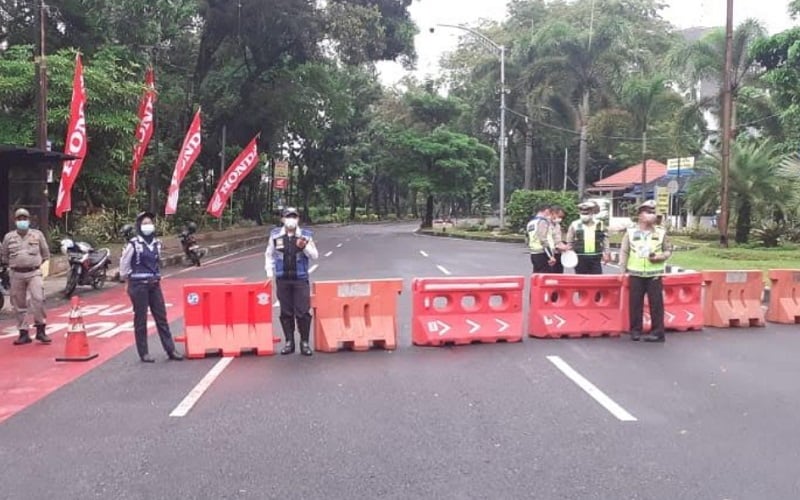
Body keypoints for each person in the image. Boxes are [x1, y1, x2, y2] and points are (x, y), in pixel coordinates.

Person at [118, 211, 183, 362]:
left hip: (154, 284)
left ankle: (171, 350)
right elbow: (124, 264)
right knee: (140, 319)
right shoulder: (134, 244)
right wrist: (127, 279)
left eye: (150, 223)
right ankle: (144, 353)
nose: (148, 226)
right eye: (145, 223)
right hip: (138, 285)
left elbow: (157, 262)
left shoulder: (156, 243)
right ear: (139, 226)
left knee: (162, 318)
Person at [265, 207, 319, 356]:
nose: (291, 219)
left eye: (294, 216)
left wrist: (305, 246)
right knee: (286, 312)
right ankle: (289, 342)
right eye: (288, 216)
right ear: (282, 219)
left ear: (298, 219)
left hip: (300, 279)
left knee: (302, 312)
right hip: (283, 279)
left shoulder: (306, 235)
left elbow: (315, 255)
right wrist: (269, 273)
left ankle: (305, 343)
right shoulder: (275, 235)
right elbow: (269, 255)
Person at [620, 200, 673, 343]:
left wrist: (659, 257)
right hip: (635, 273)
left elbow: (668, 250)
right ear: (640, 215)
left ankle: (658, 333)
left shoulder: (661, 233)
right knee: (635, 303)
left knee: (656, 304)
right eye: (648, 212)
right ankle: (635, 331)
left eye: (653, 212)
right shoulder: (630, 233)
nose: (652, 215)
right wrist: (622, 271)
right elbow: (624, 252)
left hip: (654, 273)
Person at [0, 208, 51, 345]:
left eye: (24, 218)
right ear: (15, 221)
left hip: (34, 272)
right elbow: (4, 256)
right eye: (19, 219)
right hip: (16, 273)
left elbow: (46, 254)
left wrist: (42, 268)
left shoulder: (37, 235)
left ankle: (41, 330)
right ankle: (23, 333)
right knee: (18, 304)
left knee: (38, 299)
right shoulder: (9, 237)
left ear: (29, 220)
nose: (22, 221)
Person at [566, 201, 610, 275]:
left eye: (586, 213)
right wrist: (569, 254)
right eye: (582, 213)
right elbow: (570, 241)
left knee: (596, 280)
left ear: (592, 213)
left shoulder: (599, 224)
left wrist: (607, 253)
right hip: (580, 257)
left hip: (596, 256)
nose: (584, 215)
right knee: (581, 281)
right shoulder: (574, 224)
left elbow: (605, 240)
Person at [527, 205, 557, 273]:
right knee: (545, 278)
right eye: (550, 212)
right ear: (546, 211)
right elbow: (543, 239)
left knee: (536, 276)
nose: (550, 215)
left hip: (534, 252)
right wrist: (550, 256)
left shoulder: (531, 223)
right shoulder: (542, 222)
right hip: (543, 253)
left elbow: (528, 238)